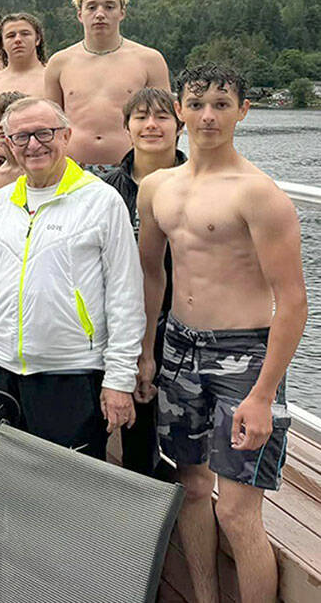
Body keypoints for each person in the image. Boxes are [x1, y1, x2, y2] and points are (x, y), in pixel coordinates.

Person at [138, 65, 307, 603]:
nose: (208, 114)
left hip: (244, 355)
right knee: (190, 488)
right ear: (180, 111)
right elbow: (151, 273)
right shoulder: (158, 187)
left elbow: (294, 301)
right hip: (179, 348)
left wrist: (262, 395)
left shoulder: (259, 194)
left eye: (221, 103)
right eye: (197, 102)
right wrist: (146, 353)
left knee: (237, 510)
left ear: (243, 110)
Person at [0, 97, 144, 458]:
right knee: (13, 485)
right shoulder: (0, 203)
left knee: (72, 494)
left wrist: (119, 380)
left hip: (72, 373)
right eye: (21, 137)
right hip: (9, 373)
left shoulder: (100, 201)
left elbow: (125, 295)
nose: (34, 145)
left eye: (44, 133)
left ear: (67, 135)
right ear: (8, 144)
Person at [100, 87, 186, 478]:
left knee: (183, 441)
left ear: (179, 126)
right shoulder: (104, 190)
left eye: (162, 116)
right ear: (127, 127)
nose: (151, 125)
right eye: (141, 117)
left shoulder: (197, 185)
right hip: (119, 319)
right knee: (134, 423)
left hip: (182, 320)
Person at [45, 0, 171, 172]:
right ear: (80, 14)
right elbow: (49, 123)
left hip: (131, 169)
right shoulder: (59, 63)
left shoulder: (149, 60)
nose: (100, 14)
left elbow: (167, 121)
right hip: (73, 169)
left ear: (122, 13)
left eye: (109, 7)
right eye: (92, 7)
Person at [0, 13, 48, 174]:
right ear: (1, 44)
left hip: (45, 163)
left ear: (37, 39)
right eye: (10, 36)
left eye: (25, 34)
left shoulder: (53, 79)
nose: (18, 39)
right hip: (1, 167)